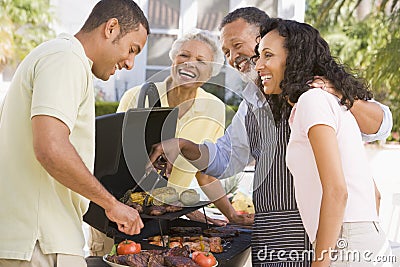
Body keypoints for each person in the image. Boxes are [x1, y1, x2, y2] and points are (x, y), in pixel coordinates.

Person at [148, 7, 393, 267]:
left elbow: (380, 125)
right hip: (274, 238)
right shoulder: (250, 105)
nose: (233, 58)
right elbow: (224, 158)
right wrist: (184, 145)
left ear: (266, 38)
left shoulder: (316, 95)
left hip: (319, 234)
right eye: (227, 52)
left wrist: (339, 93)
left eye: (238, 46)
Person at [0, 0, 149, 266]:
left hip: (36, 240)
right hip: (41, 243)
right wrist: (112, 204)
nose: (130, 63)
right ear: (111, 28)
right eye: (132, 49)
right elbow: (51, 147)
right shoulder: (66, 58)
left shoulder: (57, 56)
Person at [88, 29, 253, 256]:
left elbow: (204, 173)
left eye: (201, 60)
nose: (189, 64)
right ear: (173, 59)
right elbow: (111, 161)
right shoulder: (138, 97)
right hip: (117, 214)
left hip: (164, 219)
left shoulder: (213, 109)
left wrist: (231, 214)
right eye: (184, 56)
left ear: (212, 71)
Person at [254, 18, 393, 267]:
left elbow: (337, 191)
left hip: (347, 245)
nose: (258, 65)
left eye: (268, 55)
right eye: (258, 56)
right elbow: (374, 194)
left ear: (294, 58)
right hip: (358, 242)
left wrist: (321, 261)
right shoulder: (326, 103)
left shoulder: (312, 102)